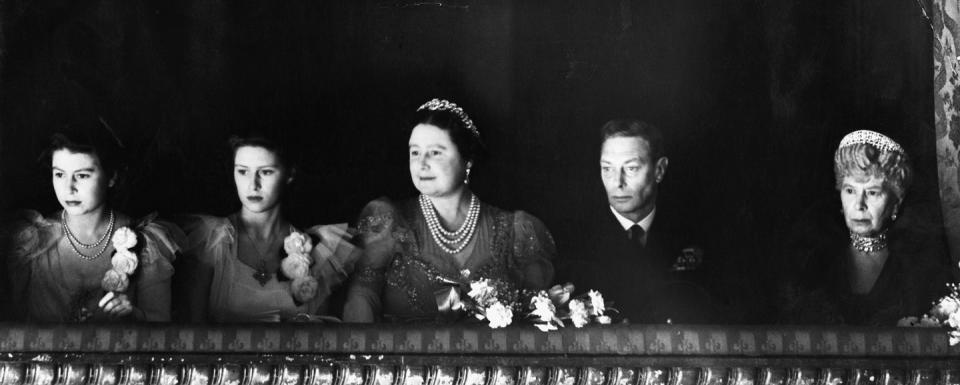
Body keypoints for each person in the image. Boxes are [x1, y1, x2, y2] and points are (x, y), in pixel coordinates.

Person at [343, 99, 556, 323]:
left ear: (467, 160)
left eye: (435, 153)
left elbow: (538, 320)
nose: (421, 164)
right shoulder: (388, 222)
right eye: (415, 152)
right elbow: (361, 298)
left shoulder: (516, 231)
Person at [554, 119, 725, 324]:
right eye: (607, 169)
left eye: (632, 168)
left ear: (659, 170)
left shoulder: (695, 229)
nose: (617, 183)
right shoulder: (576, 238)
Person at [178, 133, 362, 323]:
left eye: (265, 172)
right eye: (242, 171)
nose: (253, 185)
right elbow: (191, 331)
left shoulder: (318, 249)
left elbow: (317, 339)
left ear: (289, 174)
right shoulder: (212, 240)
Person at [5, 127, 182, 322]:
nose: (68, 188)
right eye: (59, 175)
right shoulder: (31, 243)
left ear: (112, 177)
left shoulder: (145, 241)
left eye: (82, 175)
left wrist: (133, 315)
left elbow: (161, 330)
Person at [777, 130, 952, 325]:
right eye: (850, 190)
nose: (859, 204)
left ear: (895, 203)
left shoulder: (918, 271)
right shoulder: (814, 264)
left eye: (872, 192)